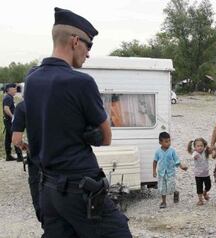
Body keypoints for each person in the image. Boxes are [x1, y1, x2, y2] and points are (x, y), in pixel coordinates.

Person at [24, 7, 132, 237]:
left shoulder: (32, 79)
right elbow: (106, 137)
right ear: (75, 41)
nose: (89, 53)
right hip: (79, 187)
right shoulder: (81, 82)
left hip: (48, 188)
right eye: (88, 45)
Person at [12, 100, 42, 222]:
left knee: (40, 199)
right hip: (64, 158)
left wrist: (25, 146)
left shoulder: (23, 106)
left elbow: (16, 139)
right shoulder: (65, 100)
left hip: (36, 158)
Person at [153, 132, 188, 208]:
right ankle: (163, 202)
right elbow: (155, 161)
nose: (168, 143)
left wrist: (182, 166)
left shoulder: (172, 150)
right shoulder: (158, 152)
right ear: (160, 142)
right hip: (161, 173)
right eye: (166, 141)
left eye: (169, 141)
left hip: (170, 172)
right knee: (162, 188)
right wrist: (154, 171)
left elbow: (176, 160)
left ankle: (175, 192)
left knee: (171, 187)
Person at [187, 137, 212, 206]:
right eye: (198, 146)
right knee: (199, 188)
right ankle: (200, 200)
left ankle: (205, 192)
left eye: (201, 146)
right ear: (195, 147)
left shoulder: (205, 152)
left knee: (209, 186)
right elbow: (192, 154)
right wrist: (194, 153)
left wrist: (209, 147)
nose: (200, 147)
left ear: (204, 146)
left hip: (206, 174)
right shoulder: (195, 153)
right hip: (198, 175)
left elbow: (211, 151)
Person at [3, 83, 23, 161]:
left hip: (7, 120)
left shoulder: (8, 97)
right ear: (9, 89)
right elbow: (6, 108)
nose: (15, 90)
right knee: (15, 137)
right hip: (9, 121)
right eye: (14, 89)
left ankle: (8, 156)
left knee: (8, 138)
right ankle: (19, 156)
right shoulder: (8, 98)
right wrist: (13, 117)